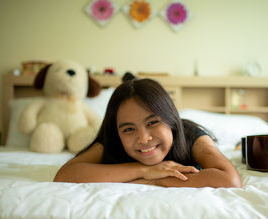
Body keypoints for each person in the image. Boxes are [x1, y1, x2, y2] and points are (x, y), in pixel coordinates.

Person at [54, 76, 242, 188]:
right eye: (128, 129)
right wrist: (146, 171)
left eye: (152, 122)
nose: (143, 138)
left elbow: (230, 180)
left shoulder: (192, 135)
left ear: (171, 120)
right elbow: (64, 175)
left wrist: (159, 179)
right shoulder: (112, 140)